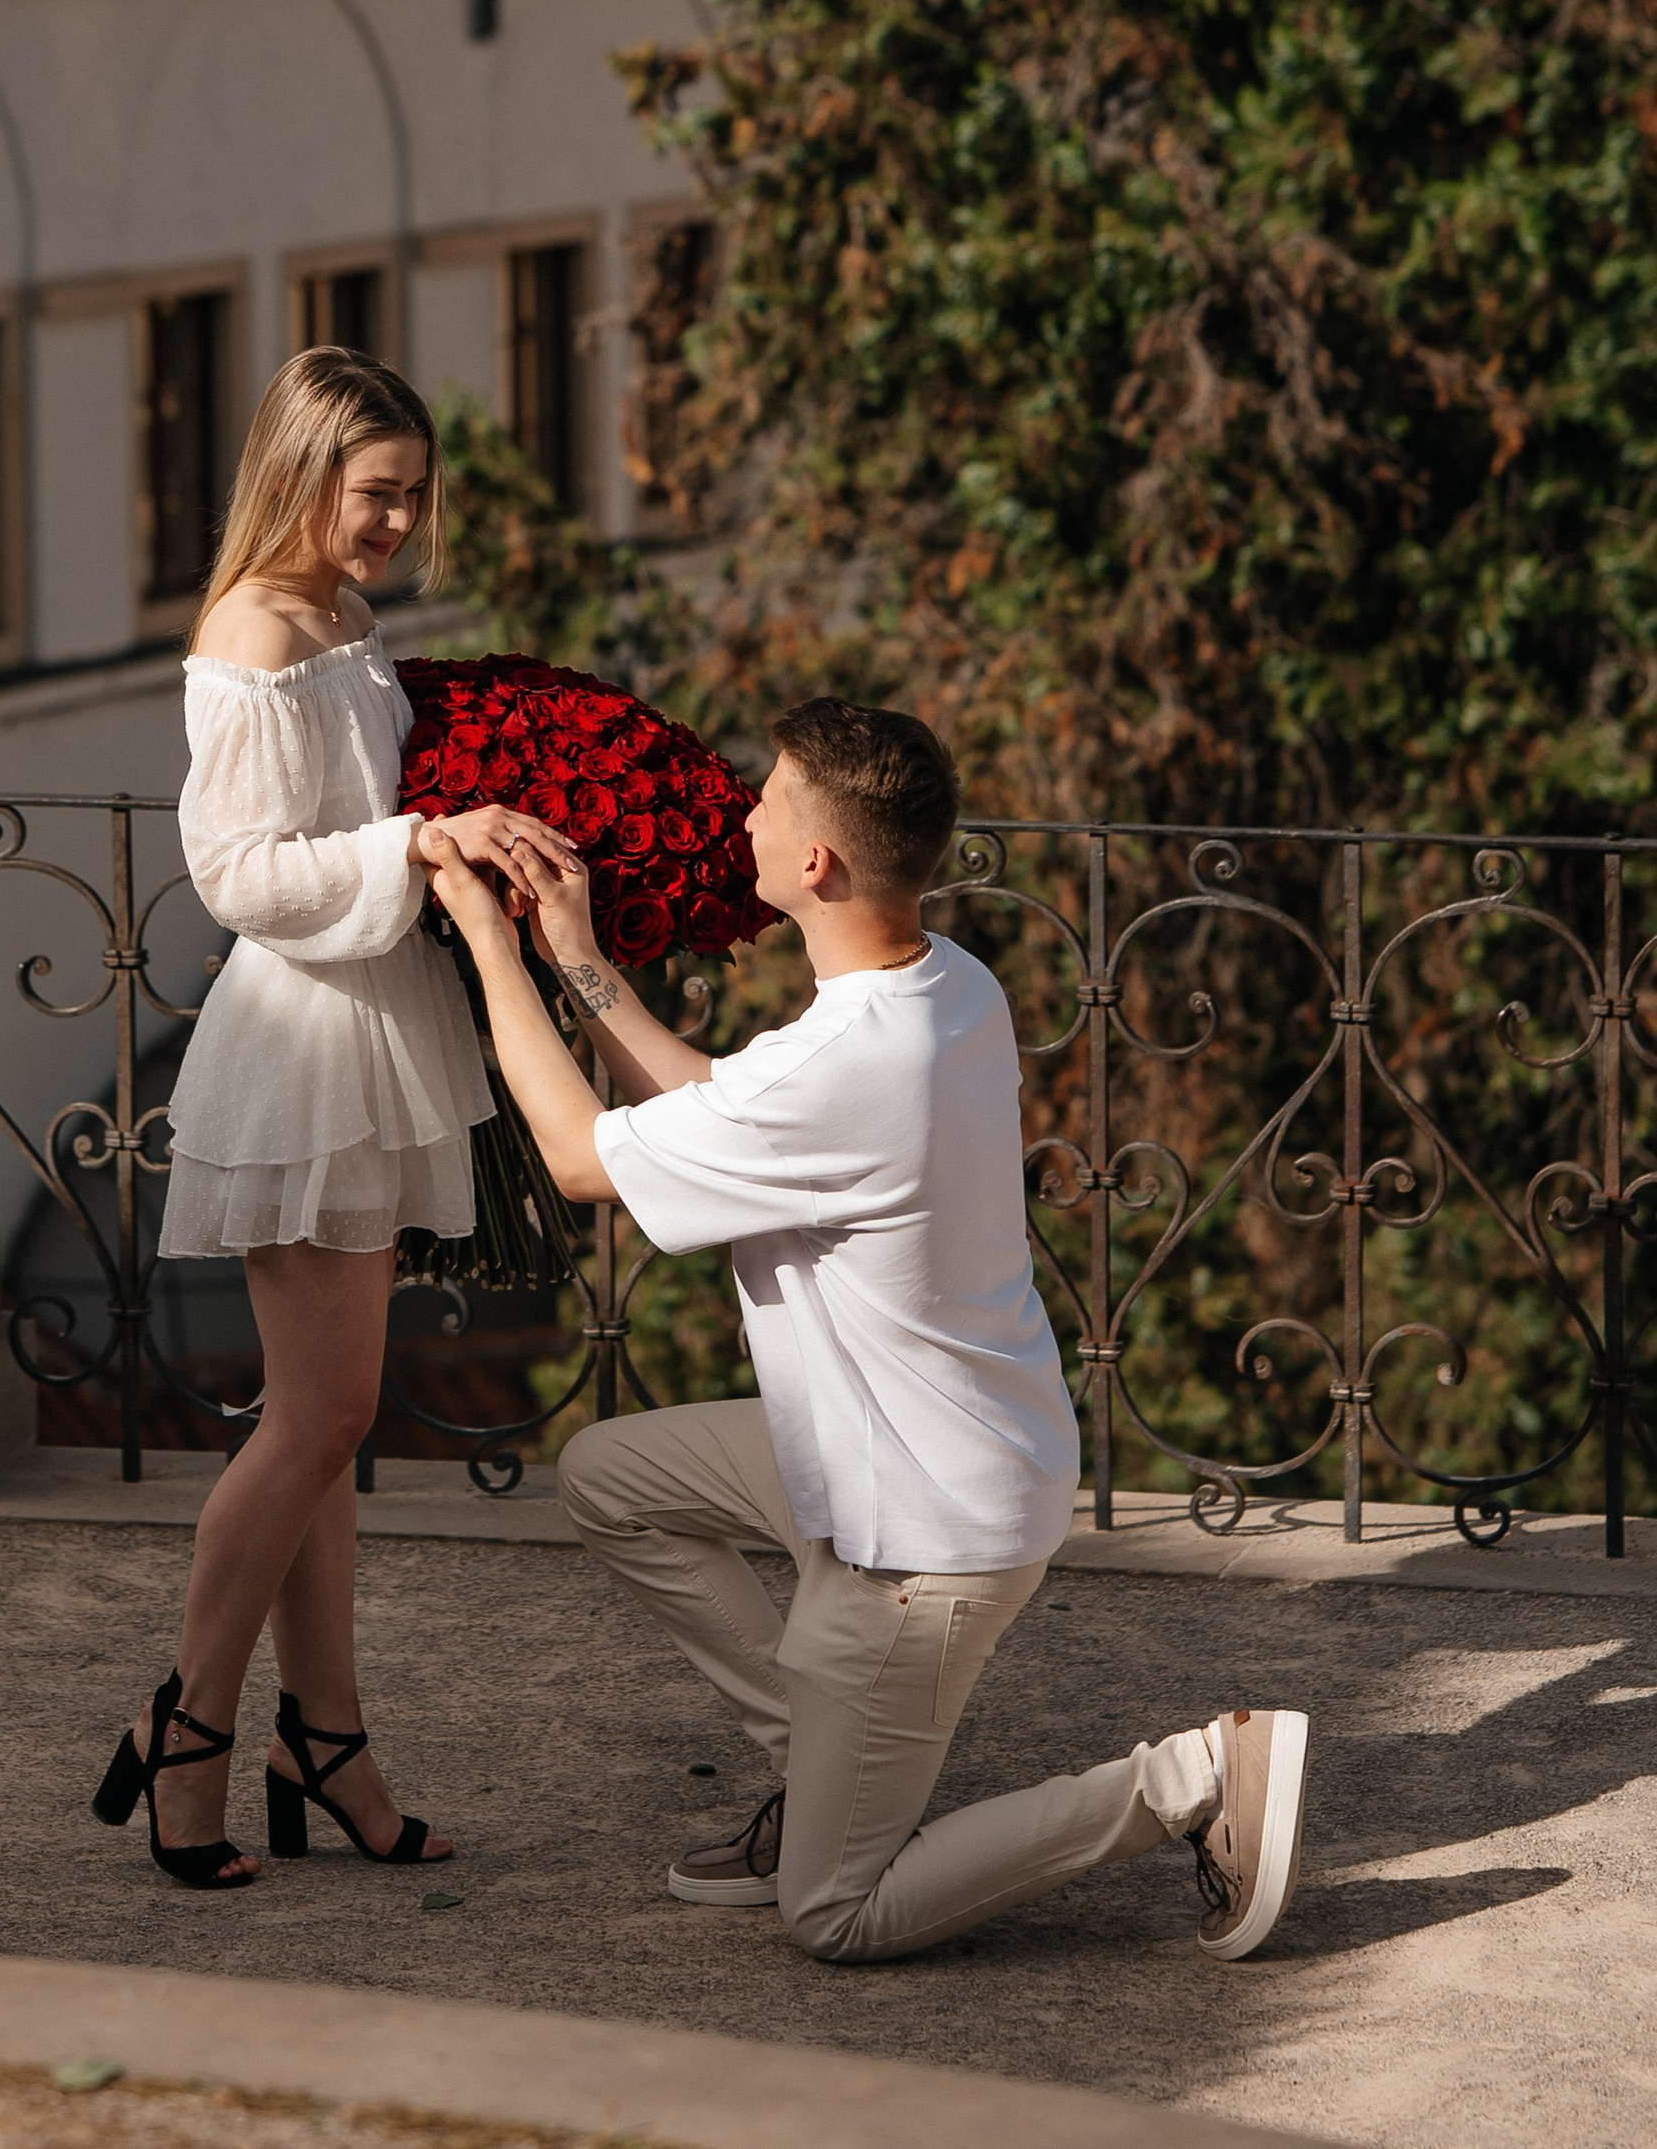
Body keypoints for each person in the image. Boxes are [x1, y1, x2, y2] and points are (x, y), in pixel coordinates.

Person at [430, 693, 1311, 1965]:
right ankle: (822, 1770)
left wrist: (488, 942)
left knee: (834, 1913)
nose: (745, 810)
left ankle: (1188, 1779)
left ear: (815, 862)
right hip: (899, 1455)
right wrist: (573, 949)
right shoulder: (945, 986)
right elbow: (707, 1102)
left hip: (922, 1537)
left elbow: (578, 1161)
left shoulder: (848, 1060)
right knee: (612, 1476)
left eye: (769, 798)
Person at [93, 347, 583, 1891]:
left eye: (414, 497)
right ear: (303, 475)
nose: (396, 523)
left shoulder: (347, 622)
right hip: (304, 1049)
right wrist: (426, 841)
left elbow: (358, 826)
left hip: (366, 1037)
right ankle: (189, 1736)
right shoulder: (250, 632)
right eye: (378, 493)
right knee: (318, 1423)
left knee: (330, 1428)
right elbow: (236, 875)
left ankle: (330, 1742)